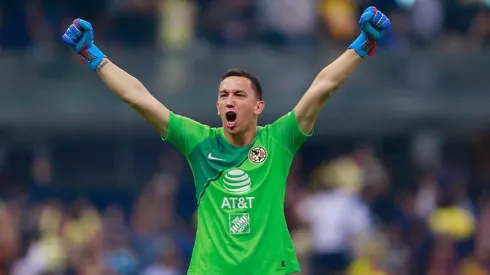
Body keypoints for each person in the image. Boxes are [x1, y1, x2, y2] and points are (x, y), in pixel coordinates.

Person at [61, 6, 390, 275]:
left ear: (258, 106)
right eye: (223, 95)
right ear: (218, 107)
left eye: (239, 94)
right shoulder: (198, 142)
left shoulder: (279, 140)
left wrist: (361, 45)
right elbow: (140, 98)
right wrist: (94, 56)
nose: (230, 100)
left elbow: (322, 87)